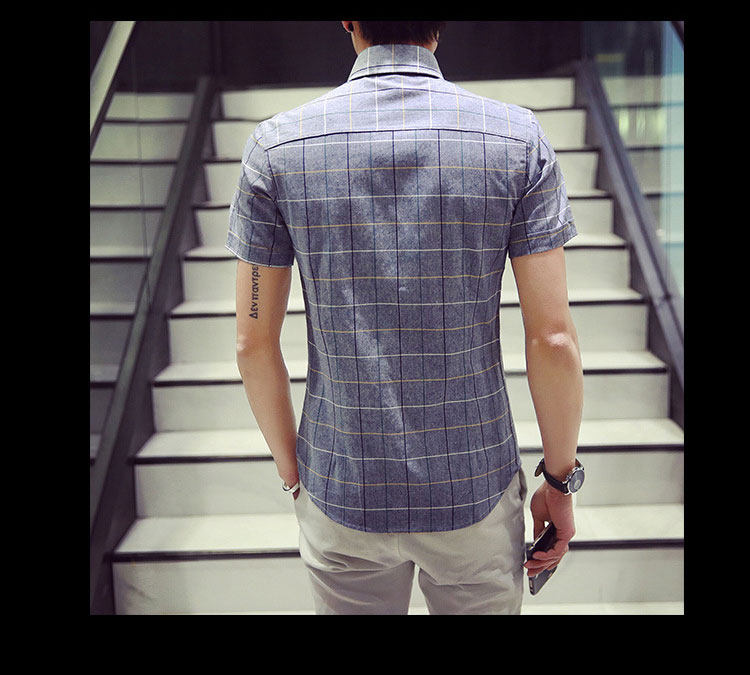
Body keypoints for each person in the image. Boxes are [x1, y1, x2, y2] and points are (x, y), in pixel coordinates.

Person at [227, 20, 584, 614]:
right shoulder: (516, 140)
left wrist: (296, 476)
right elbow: (552, 340)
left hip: (342, 486)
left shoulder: (278, 148)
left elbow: (252, 343)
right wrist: (559, 482)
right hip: (475, 486)